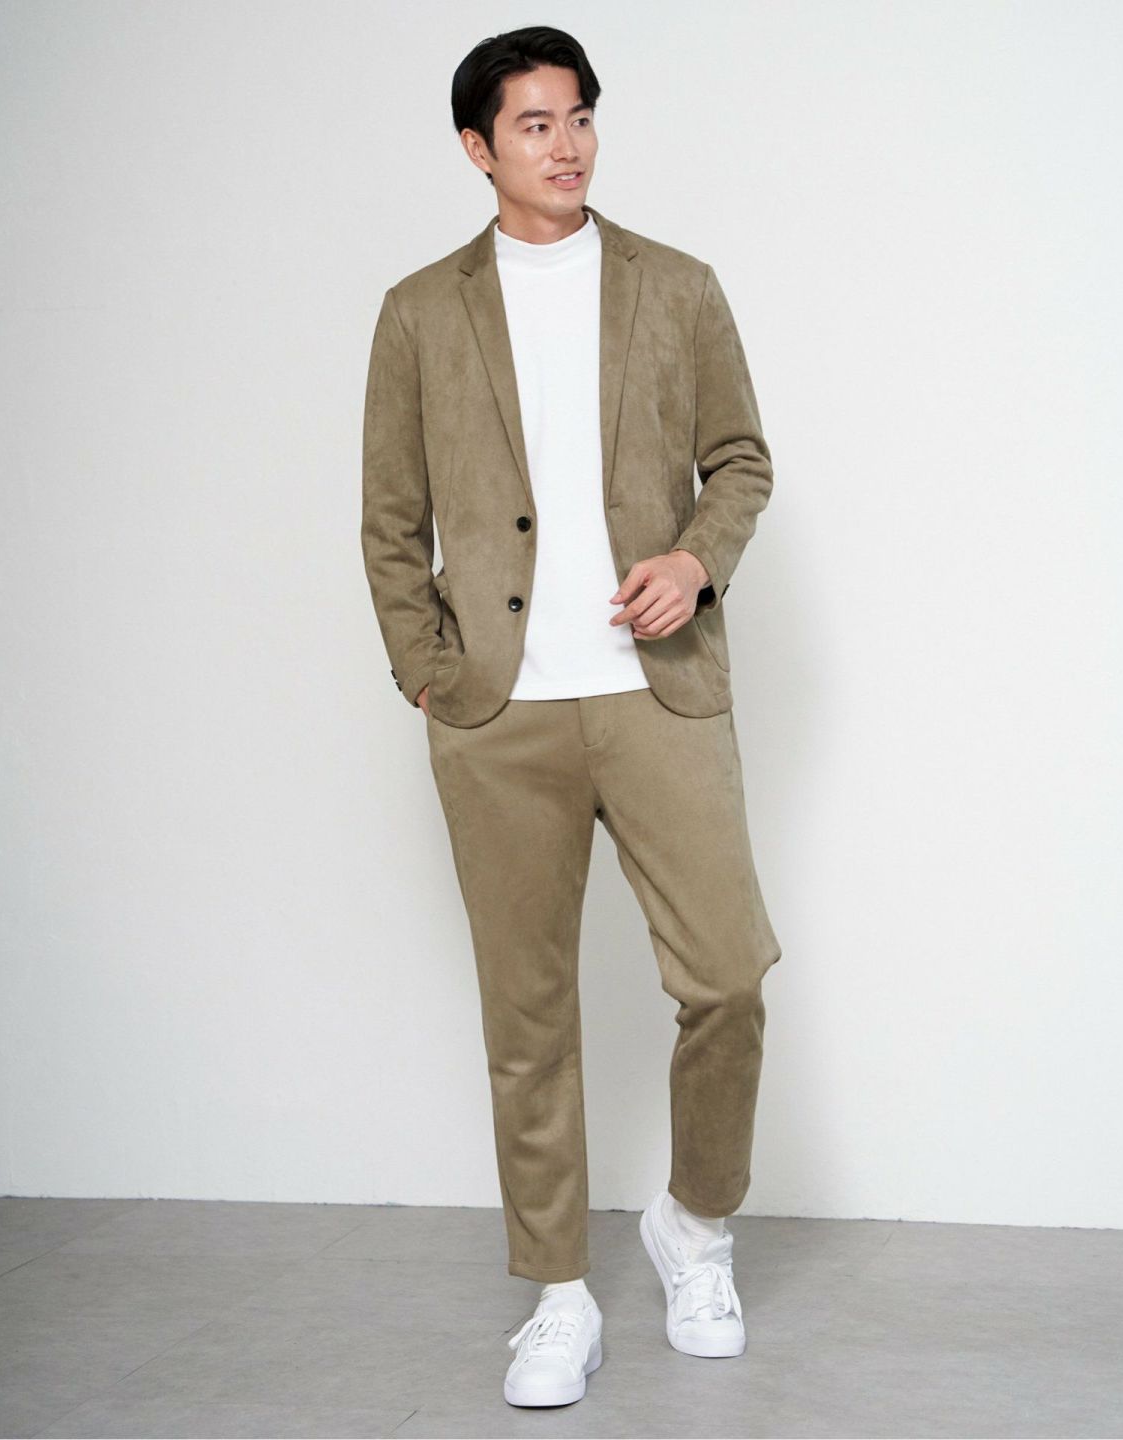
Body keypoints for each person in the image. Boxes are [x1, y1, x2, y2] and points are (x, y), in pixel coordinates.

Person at [361, 24, 783, 1409]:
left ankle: (695, 1229)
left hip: (659, 693)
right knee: (527, 1015)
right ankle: (557, 1297)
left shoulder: (678, 286)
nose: (568, 144)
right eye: (535, 124)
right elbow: (390, 522)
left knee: (725, 977)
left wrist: (697, 561)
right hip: (501, 714)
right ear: (479, 149)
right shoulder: (419, 312)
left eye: (580, 116)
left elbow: (740, 461)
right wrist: (430, 673)